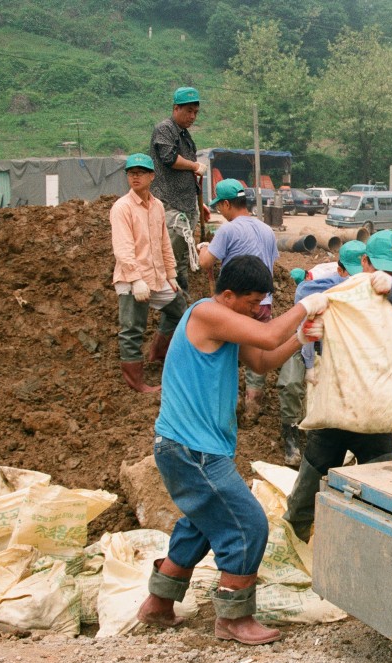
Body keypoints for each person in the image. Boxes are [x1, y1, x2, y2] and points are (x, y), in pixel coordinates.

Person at [136, 255, 328, 645]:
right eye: (252, 302)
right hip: (192, 449)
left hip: (190, 448)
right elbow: (269, 335)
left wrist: (301, 339)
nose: (257, 310)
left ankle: (158, 603)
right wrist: (306, 305)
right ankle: (234, 618)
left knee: (203, 524)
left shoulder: (222, 325)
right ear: (227, 295)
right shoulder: (207, 314)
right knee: (247, 524)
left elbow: (263, 356)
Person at [283, 231, 392, 541]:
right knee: (313, 471)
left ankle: (375, 539)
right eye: (379, 268)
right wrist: (315, 308)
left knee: (381, 481)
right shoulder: (344, 287)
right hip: (339, 398)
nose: (384, 276)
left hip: (376, 405)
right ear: (363, 262)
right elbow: (305, 293)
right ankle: (294, 533)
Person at [276, 242, 368, 467]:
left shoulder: (365, 286)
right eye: (350, 275)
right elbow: (306, 327)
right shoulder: (314, 287)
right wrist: (309, 367)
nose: (353, 281)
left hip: (335, 345)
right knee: (291, 384)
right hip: (303, 339)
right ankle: (291, 436)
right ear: (340, 270)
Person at [197, 179, 279, 427]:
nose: (220, 212)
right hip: (263, 302)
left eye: (219, 207)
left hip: (237, 305)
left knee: (228, 354)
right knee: (257, 352)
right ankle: (253, 407)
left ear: (225, 204)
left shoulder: (228, 230)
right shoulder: (267, 229)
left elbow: (205, 263)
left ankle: (229, 409)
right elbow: (272, 265)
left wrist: (204, 247)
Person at [110, 153, 187, 393]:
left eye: (141, 172)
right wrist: (135, 279)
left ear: (151, 176)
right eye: (131, 173)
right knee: (132, 328)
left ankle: (157, 354)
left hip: (157, 277)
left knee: (179, 309)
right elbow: (123, 247)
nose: (135, 177)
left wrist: (171, 275)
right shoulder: (122, 207)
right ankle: (136, 384)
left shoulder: (157, 206)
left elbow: (164, 242)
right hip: (133, 280)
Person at [150, 86, 207, 292]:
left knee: (183, 257)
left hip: (186, 204)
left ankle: (181, 301)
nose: (193, 116)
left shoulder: (185, 136)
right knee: (171, 258)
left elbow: (189, 176)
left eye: (196, 112)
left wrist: (198, 202)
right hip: (169, 204)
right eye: (189, 111)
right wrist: (194, 165)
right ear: (176, 109)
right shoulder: (165, 129)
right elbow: (170, 158)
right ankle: (167, 303)